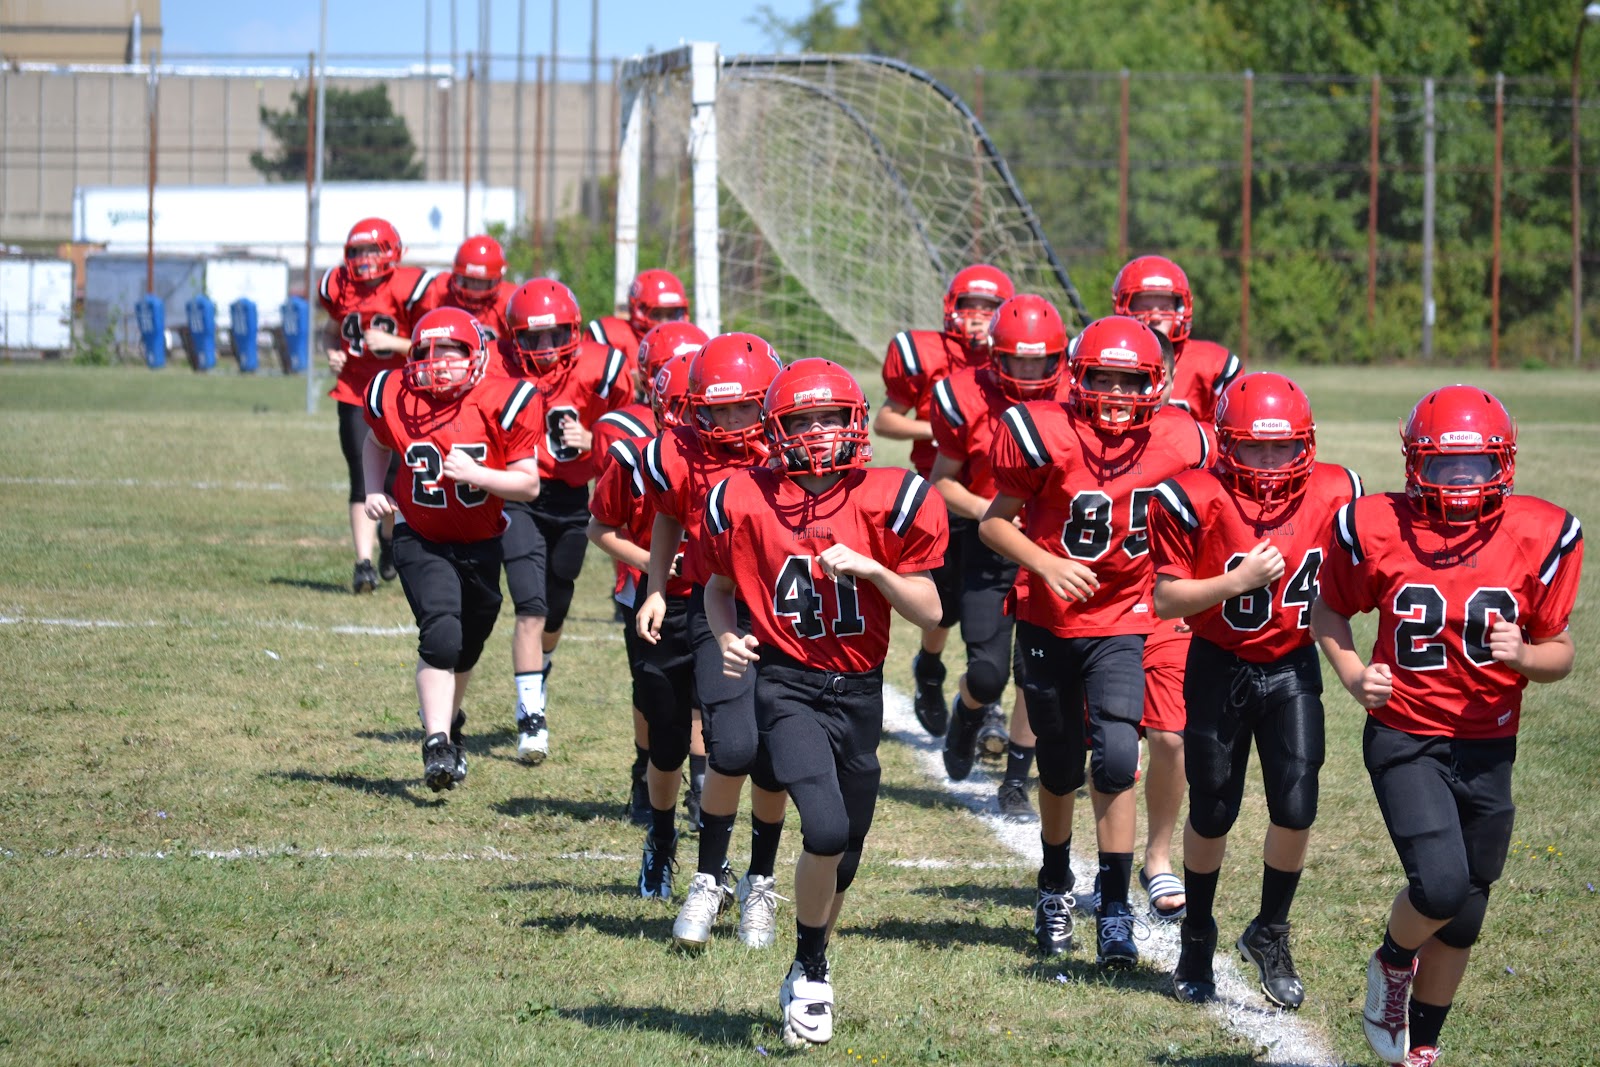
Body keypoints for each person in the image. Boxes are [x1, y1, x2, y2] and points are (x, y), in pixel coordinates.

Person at [1311, 385, 1583, 1067]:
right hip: (1407, 733)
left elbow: (1562, 652)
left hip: (1490, 741)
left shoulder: (1539, 531)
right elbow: (1328, 611)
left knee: (1466, 907)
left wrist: (1525, 655)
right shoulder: (1377, 524)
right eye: (1443, 467)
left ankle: (1424, 1045)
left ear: (1505, 463)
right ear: (1413, 464)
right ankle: (1393, 959)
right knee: (1438, 885)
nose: (1460, 485)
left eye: (1475, 467)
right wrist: (1352, 675)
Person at [702, 358, 947, 1047]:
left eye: (826, 417)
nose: (815, 431)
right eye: (800, 419)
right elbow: (719, 587)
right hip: (786, 684)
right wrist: (726, 638)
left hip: (859, 690)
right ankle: (811, 968)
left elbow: (930, 609)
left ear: (853, 421)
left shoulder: (890, 496)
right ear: (776, 429)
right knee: (828, 827)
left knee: (849, 846)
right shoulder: (743, 495)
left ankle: (810, 955)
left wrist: (874, 567)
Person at [979, 315, 1211, 967]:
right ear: (1079, 378)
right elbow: (994, 525)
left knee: (1114, 752)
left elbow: (1213, 511)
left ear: (1156, 382)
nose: (1113, 391)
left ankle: (1112, 902)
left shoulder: (1182, 440)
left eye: (1128, 379)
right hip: (1051, 619)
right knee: (1056, 767)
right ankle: (1055, 883)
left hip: (1125, 617)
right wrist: (1046, 563)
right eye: (1101, 377)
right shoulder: (1044, 432)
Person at [1146, 371, 1363, 1008]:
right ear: (1225, 444)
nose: (1269, 463)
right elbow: (1165, 598)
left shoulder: (1336, 490)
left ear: (1307, 445)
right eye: (1253, 448)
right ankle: (1197, 933)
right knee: (1214, 809)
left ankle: (1269, 930)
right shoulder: (1193, 495)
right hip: (1220, 661)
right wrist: (1233, 584)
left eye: (1282, 448)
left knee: (1296, 806)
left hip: (1293, 665)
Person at [637, 333, 790, 951]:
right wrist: (653, 587)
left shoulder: (796, 437)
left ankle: (760, 882)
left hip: (786, 610)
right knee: (731, 746)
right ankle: (708, 877)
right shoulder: (680, 451)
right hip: (715, 606)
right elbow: (670, 511)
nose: (727, 421)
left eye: (741, 408)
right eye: (715, 409)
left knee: (776, 752)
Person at [359, 307, 541, 791]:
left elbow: (529, 485)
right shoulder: (392, 394)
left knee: (468, 644)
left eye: (449, 352)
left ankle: (450, 722)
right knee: (440, 636)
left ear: (476, 357)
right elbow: (377, 442)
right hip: (421, 537)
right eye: (426, 352)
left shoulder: (506, 400)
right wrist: (374, 488)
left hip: (482, 541)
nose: (436, 363)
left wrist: (479, 475)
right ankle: (437, 743)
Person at [928, 293, 1071, 818]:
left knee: (1037, 675)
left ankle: (1015, 779)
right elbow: (941, 481)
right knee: (987, 675)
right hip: (988, 548)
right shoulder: (965, 395)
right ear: (996, 355)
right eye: (1019, 359)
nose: (1031, 371)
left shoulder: (1077, 396)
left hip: (1051, 553)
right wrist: (994, 512)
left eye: (1040, 360)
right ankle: (966, 715)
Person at [875, 264, 1015, 739]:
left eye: (990, 309)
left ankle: (987, 701)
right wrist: (945, 429)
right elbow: (887, 422)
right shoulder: (924, 352)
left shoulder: (1016, 357)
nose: (979, 319)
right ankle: (930, 666)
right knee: (943, 600)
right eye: (970, 307)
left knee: (989, 606)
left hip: (999, 496)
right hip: (940, 490)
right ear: (950, 308)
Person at [496, 278, 631, 762]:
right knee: (530, 606)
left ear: (573, 331)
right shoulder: (496, 365)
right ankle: (531, 716)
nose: (545, 347)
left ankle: (541, 666)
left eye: (555, 335)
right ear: (515, 337)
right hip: (520, 496)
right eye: (532, 338)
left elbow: (634, 432)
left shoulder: (605, 367)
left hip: (574, 496)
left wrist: (594, 437)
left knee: (556, 601)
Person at [591, 351, 703, 897]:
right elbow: (602, 527)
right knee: (666, 737)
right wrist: (652, 571)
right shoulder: (641, 457)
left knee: (729, 733)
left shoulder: (756, 458)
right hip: (665, 606)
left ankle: (715, 847)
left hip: (729, 606)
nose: (699, 420)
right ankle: (660, 837)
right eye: (685, 407)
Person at [319, 217, 432, 593]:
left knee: (394, 481)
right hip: (354, 391)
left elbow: (429, 340)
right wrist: (332, 352)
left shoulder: (411, 287)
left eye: (372, 249)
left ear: (391, 251)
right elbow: (332, 330)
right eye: (358, 251)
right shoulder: (339, 285)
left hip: (402, 395)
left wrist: (394, 344)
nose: (365, 259)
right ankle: (362, 563)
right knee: (361, 478)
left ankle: (388, 541)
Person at [1112, 255, 1241, 424]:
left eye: (1166, 308)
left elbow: (1229, 433)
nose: (1156, 316)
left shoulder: (1213, 365)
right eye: (1144, 308)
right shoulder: (1103, 354)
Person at [588, 268, 691, 394]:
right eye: (656, 314)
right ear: (638, 310)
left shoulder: (687, 342)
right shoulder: (612, 335)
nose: (665, 322)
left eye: (671, 314)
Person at [410, 234, 517, 343]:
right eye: (468, 280)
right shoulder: (439, 291)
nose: (474, 288)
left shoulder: (511, 301)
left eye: (481, 282)